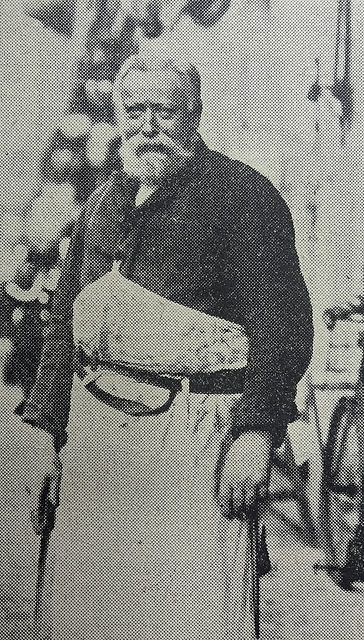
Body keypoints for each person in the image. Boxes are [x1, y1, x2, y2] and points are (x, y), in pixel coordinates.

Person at [22, 54, 313, 640]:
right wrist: (45, 438)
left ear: (194, 116)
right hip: (98, 443)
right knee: (94, 610)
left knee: (187, 614)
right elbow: (62, 326)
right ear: (117, 119)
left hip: (192, 440)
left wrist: (256, 435)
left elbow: (283, 329)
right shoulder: (103, 204)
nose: (149, 125)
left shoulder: (243, 198)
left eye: (166, 111)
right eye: (136, 111)